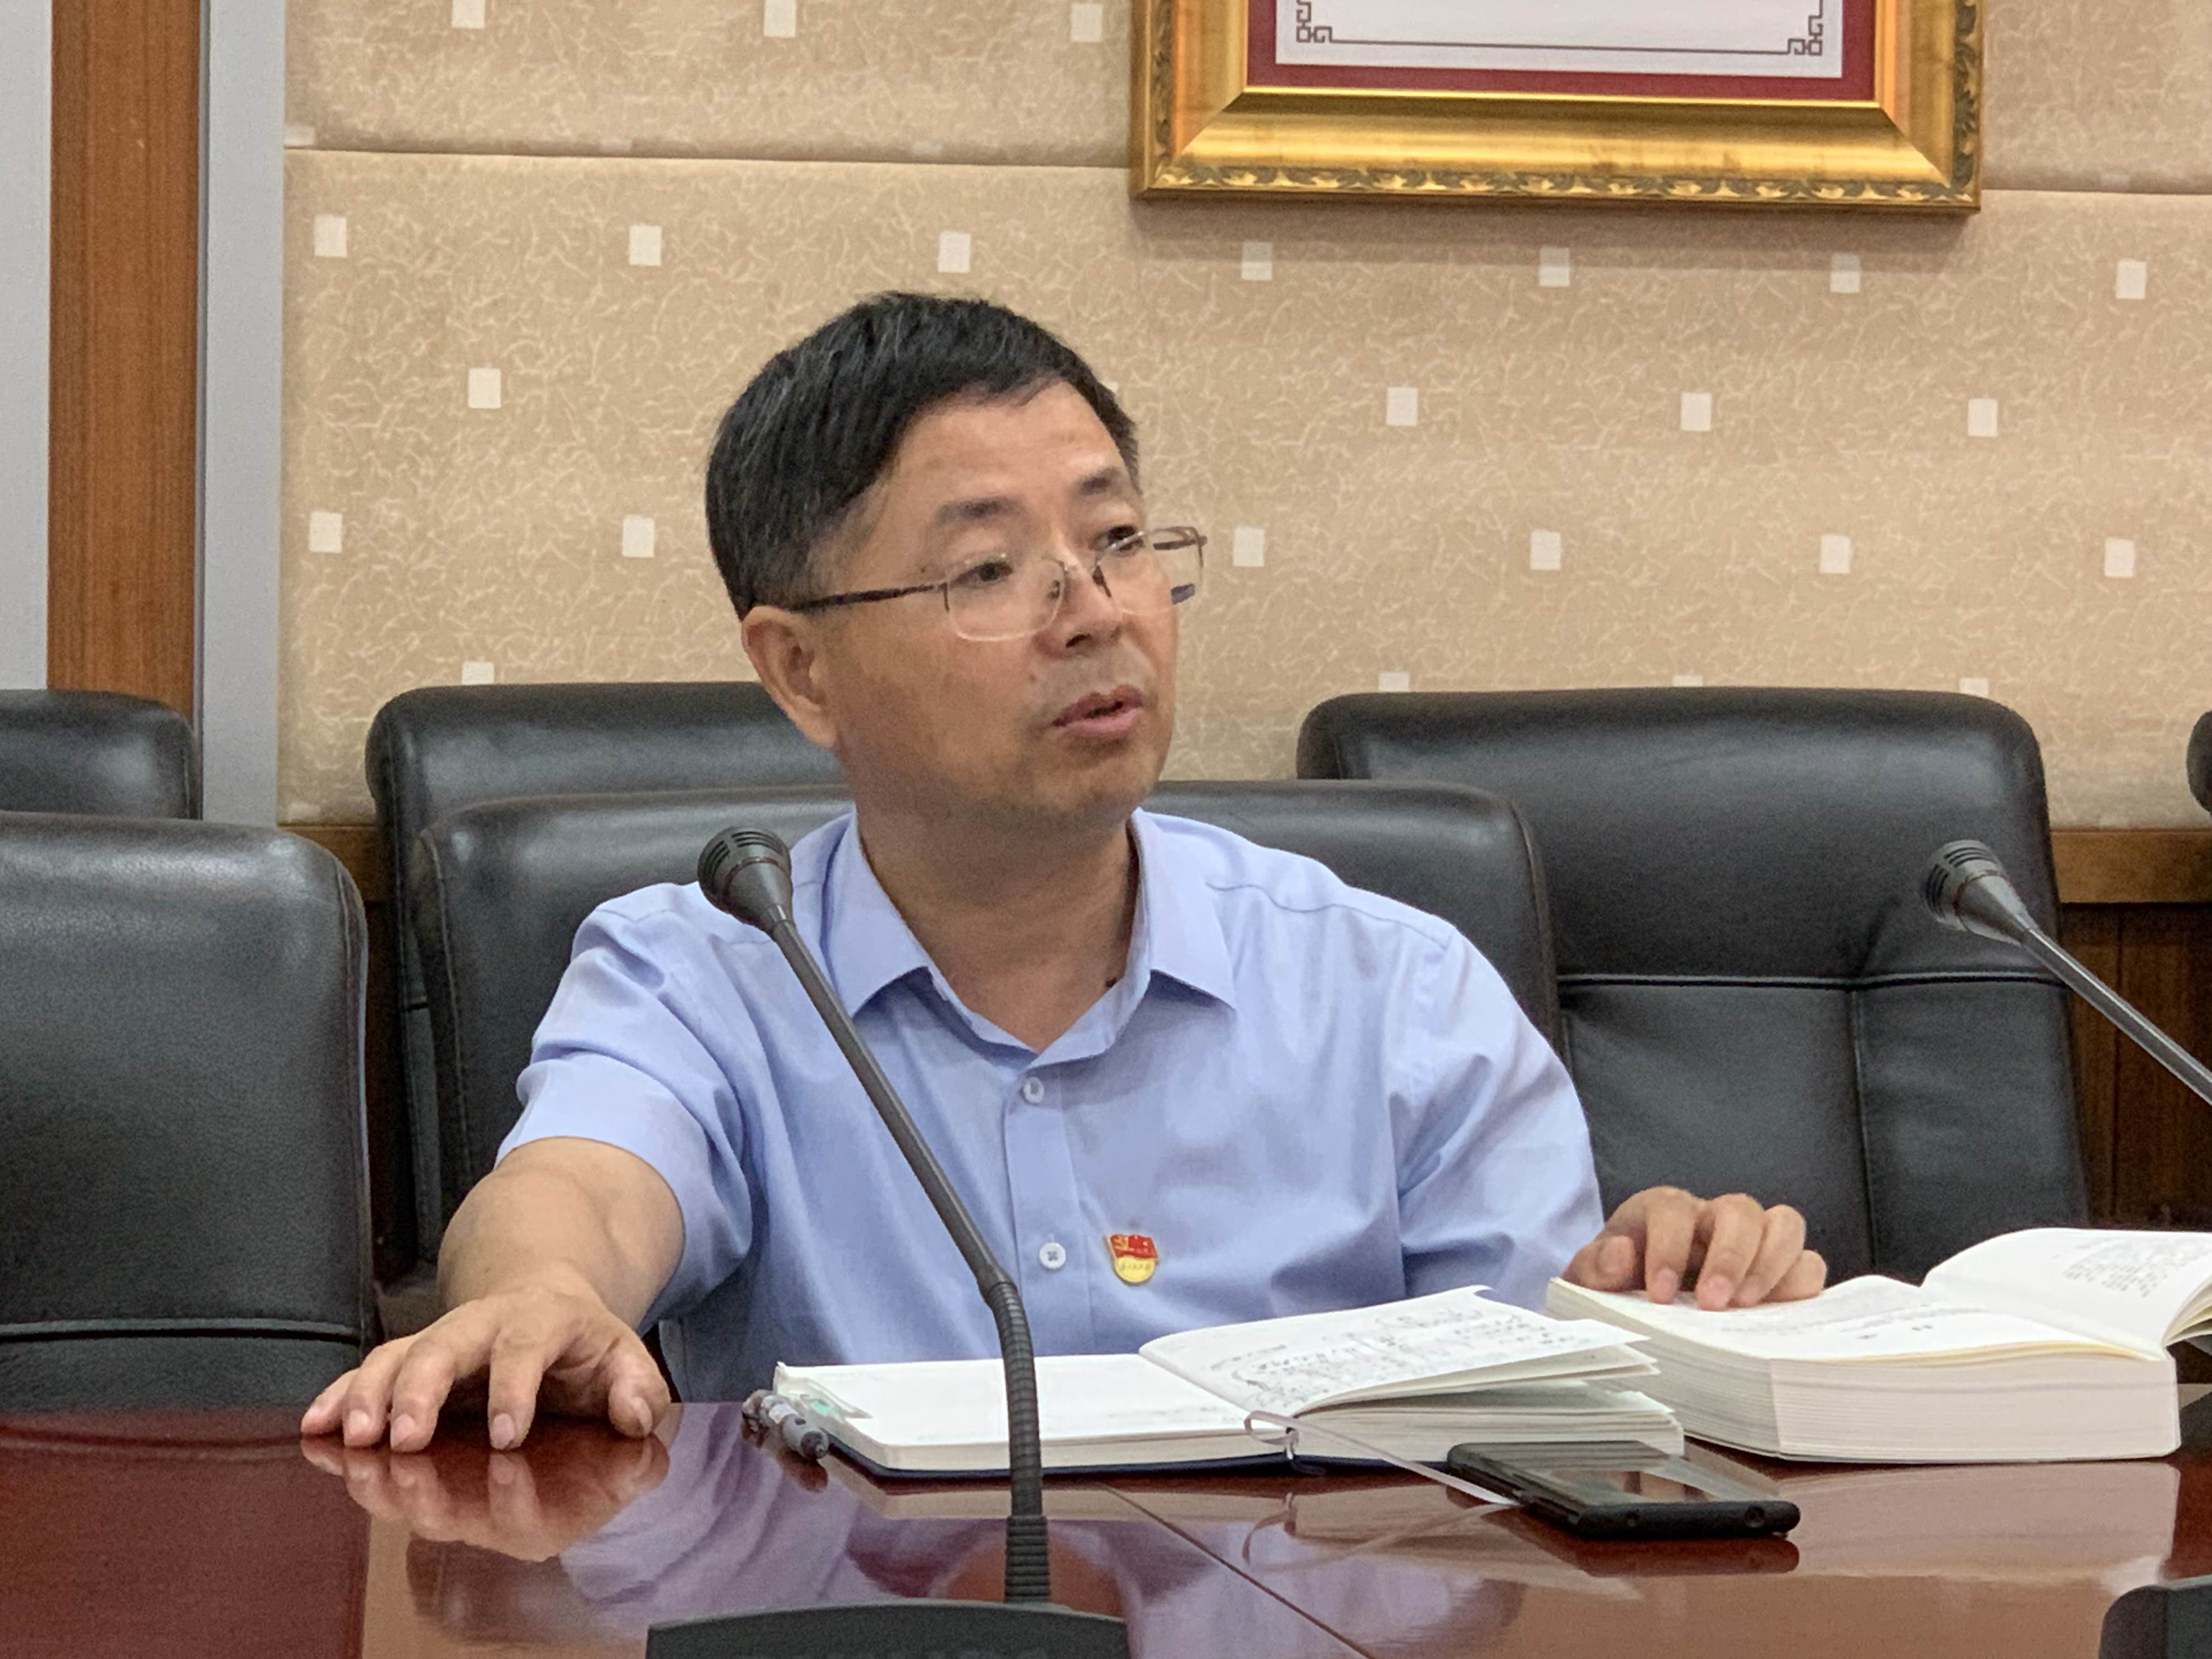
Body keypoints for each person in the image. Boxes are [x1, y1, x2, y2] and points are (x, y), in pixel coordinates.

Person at [303, 294, 1826, 1455]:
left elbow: (1539, 1412)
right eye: (988, 570)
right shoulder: (707, 968)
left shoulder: (1391, 987)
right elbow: (578, 1187)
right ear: (801, 669)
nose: (1095, 611)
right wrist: (538, 1298)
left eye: (1118, 539)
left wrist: (1653, 1291)